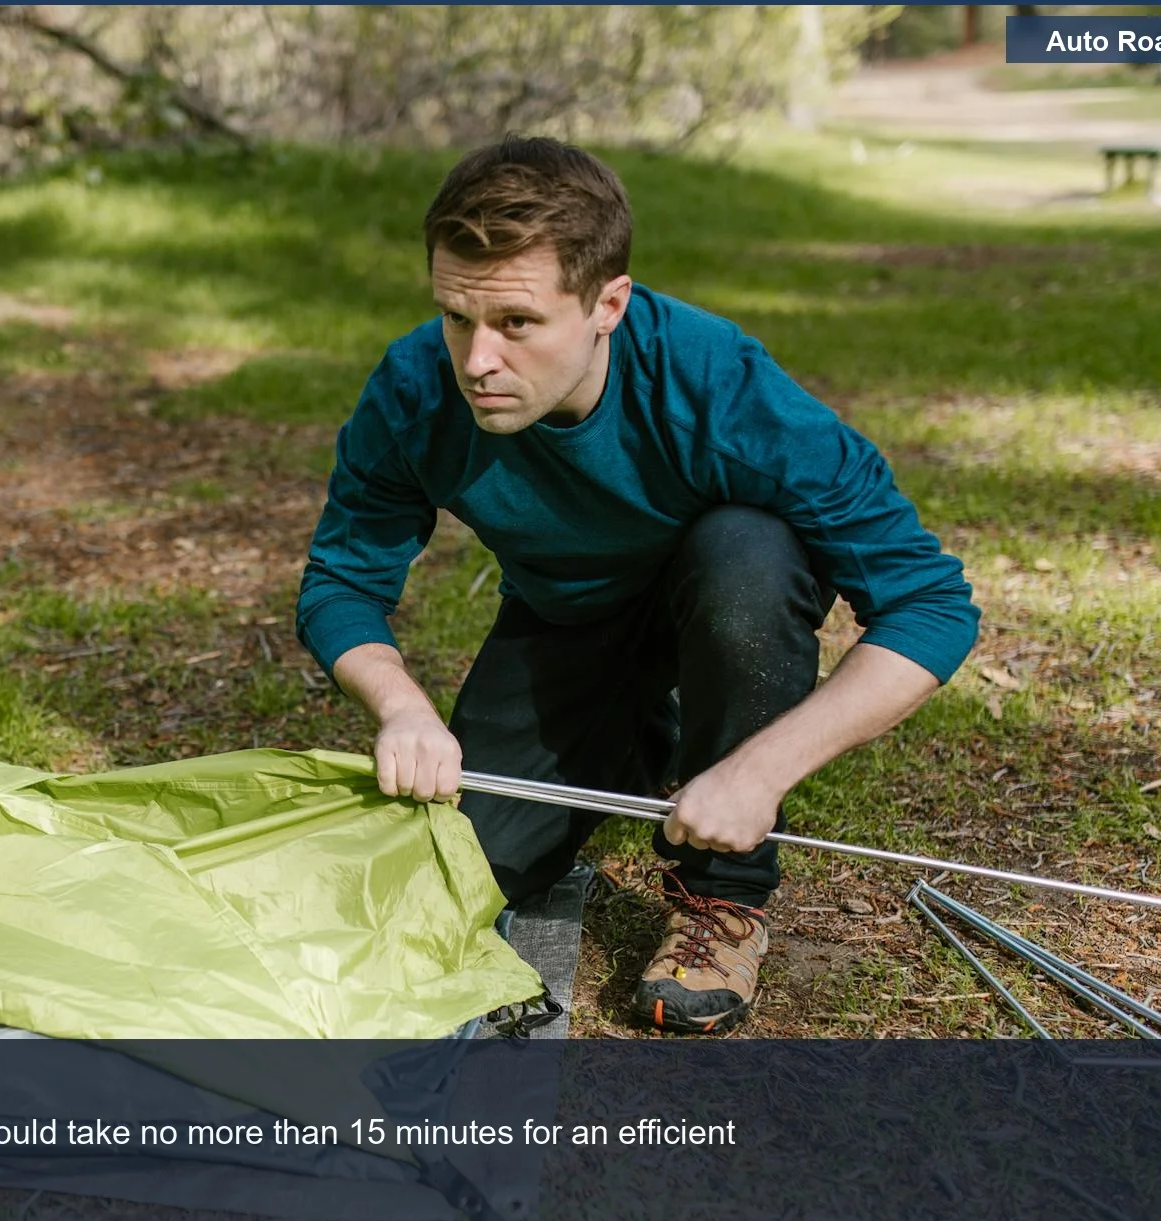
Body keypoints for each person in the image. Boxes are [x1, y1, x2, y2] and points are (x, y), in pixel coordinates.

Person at [294, 137, 979, 1034]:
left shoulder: (720, 386)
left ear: (607, 303)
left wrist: (758, 769)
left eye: (517, 322)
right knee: (458, 875)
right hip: (568, 619)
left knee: (746, 554)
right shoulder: (416, 391)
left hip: (729, 589)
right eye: (457, 317)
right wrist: (403, 710)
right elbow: (339, 583)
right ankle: (643, 735)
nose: (476, 360)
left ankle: (721, 897)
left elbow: (930, 607)